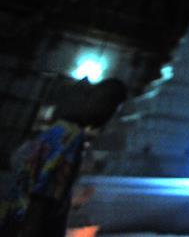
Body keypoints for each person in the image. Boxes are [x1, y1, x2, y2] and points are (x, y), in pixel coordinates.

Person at [0, 78, 126, 237]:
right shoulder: (71, 138)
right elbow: (46, 192)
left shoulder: (56, 130)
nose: (108, 117)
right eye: (110, 108)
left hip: (12, 215)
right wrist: (30, 229)